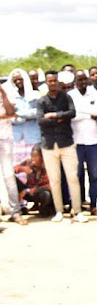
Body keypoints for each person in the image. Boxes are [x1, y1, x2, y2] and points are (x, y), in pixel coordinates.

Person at [37, 71, 87, 223]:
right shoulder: (41, 101)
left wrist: (53, 115)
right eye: (50, 81)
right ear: (46, 83)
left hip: (67, 143)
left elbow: (72, 113)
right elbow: (40, 121)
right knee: (55, 180)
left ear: (58, 82)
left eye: (55, 81)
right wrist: (60, 118)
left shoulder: (66, 97)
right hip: (49, 145)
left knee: (73, 178)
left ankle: (77, 211)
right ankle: (59, 211)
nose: (53, 83)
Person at [69, 70, 97, 214]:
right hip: (76, 141)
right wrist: (89, 114)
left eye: (84, 79)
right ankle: (78, 204)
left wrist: (82, 112)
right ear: (75, 81)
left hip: (94, 141)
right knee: (77, 175)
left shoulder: (95, 94)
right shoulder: (70, 95)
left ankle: (94, 204)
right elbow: (71, 115)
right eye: (79, 80)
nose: (82, 82)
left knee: (94, 175)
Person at [0, 83, 26, 224]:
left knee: (9, 176)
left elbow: (11, 112)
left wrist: (3, 93)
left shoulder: (6, 90)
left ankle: (15, 211)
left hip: (5, 139)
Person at [5, 69, 41, 165]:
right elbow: (9, 116)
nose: (18, 82)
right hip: (17, 138)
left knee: (34, 165)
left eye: (20, 79)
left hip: (33, 136)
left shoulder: (35, 95)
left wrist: (20, 114)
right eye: (15, 80)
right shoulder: (10, 97)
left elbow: (38, 112)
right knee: (18, 167)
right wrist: (26, 116)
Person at [14, 145, 53, 216]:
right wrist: (22, 168)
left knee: (46, 194)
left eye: (36, 156)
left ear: (42, 157)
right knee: (12, 179)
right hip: (28, 192)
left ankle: (43, 208)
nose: (33, 159)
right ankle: (18, 207)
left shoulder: (48, 166)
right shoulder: (28, 163)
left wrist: (31, 190)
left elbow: (49, 185)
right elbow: (14, 169)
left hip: (39, 193)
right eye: (32, 156)